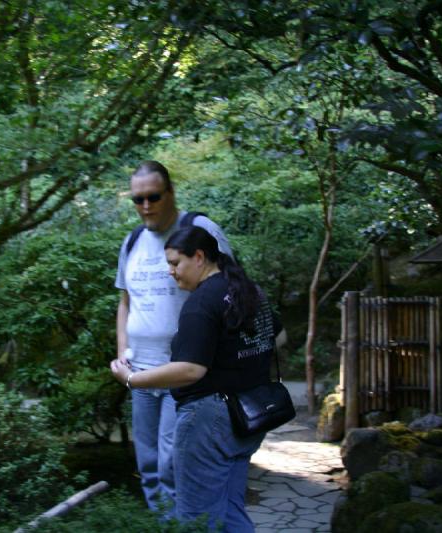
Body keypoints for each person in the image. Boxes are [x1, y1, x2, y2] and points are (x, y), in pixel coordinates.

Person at [111, 225, 281, 532]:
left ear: (199, 257)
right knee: (229, 513)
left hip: (209, 422)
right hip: (250, 417)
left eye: (175, 263)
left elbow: (191, 370)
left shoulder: (202, 303)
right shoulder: (247, 290)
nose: (171, 272)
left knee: (197, 520)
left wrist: (132, 379)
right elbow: (277, 337)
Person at [115, 161, 232, 512]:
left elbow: (230, 286)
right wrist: (122, 350)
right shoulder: (132, 241)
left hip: (184, 373)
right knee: (148, 466)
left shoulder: (198, 229)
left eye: (153, 196)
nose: (146, 206)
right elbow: (125, 302)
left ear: (171, 193)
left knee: (172, 466)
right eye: (138, 199)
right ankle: (162, 525)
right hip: (140, 372)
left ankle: (186, 525)